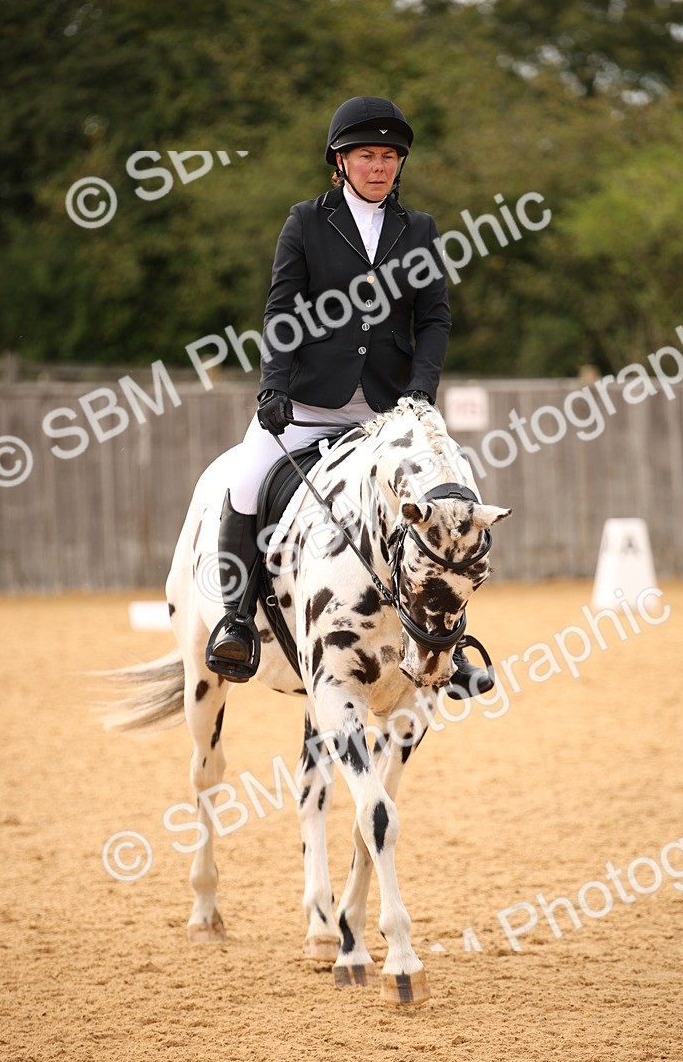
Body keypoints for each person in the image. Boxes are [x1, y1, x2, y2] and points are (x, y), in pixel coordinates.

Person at [205, 95, 492, 695]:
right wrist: (273, 387)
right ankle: (235, 619)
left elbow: (434, 320)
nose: (380, 166)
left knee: (447, 501)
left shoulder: (419, 230)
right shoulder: (306, 222)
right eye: (367, 156)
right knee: (246, 478)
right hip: (308, 404)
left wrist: (419, 391)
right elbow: (282, 309)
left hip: (388, 412)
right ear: (340, 161)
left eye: (390, 157)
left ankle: (450, 639)